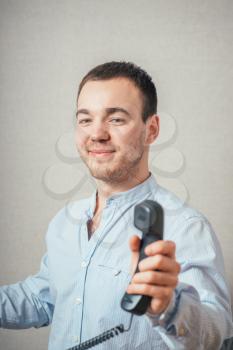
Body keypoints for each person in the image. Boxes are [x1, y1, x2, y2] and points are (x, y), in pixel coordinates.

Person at [0, 61, 232, 350]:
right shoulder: (65, 221)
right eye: (85, 120)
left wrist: (169, 305)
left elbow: (216, 333)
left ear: (152, 130)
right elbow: (42, 299)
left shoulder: (185, 227)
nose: (96, 134)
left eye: (116, 119)